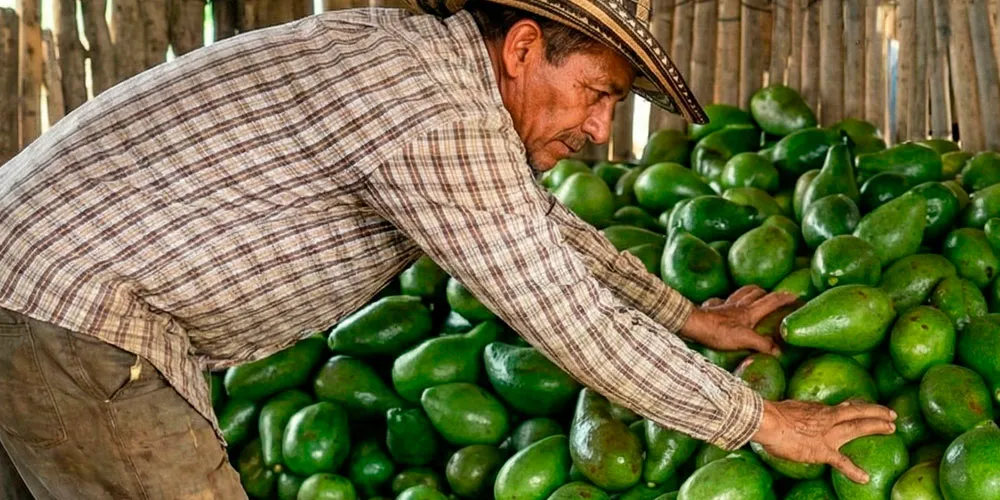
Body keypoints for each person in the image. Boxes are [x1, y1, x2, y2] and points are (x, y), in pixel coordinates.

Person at [0, 0, 896, 497]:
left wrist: (686, 314)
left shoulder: (423, 75)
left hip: (40, 299)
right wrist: (764, 421)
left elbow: (538, 232)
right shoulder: (437, 110)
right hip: (73, 316)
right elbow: (558, 309)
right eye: (594, 92)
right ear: (522, 46)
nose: (595, 128)